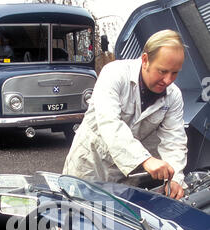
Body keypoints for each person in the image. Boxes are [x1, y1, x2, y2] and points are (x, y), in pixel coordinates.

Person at [63, 30, 188, 199]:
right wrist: (146, 160)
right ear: (145, 60)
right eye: (162, 71)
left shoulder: (173, 96)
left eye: (175, 73)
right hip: (88, 164)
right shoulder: (114, 74)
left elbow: (175, 142)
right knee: (76, 217)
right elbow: (110, 124)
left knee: (116, 221)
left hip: (125, 174)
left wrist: (175, 179)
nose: (168, 80)